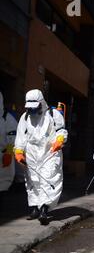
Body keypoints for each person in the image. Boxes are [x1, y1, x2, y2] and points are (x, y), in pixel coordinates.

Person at [14, 89, 68, 224]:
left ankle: (44, 208)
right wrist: (19, 151)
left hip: (49, 151)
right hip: (31, 153)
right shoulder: (24, 117)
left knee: (49, 178)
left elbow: (61, 130)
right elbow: (21, 136)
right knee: (32, 180)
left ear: (41, 103)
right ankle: (34, 209)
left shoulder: (53, 114)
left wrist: (60, 140)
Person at [0, 91, 18, 193]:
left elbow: (14, 137)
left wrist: (9, 153)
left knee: (2, 185)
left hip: (3, 157)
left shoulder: (7, 119)